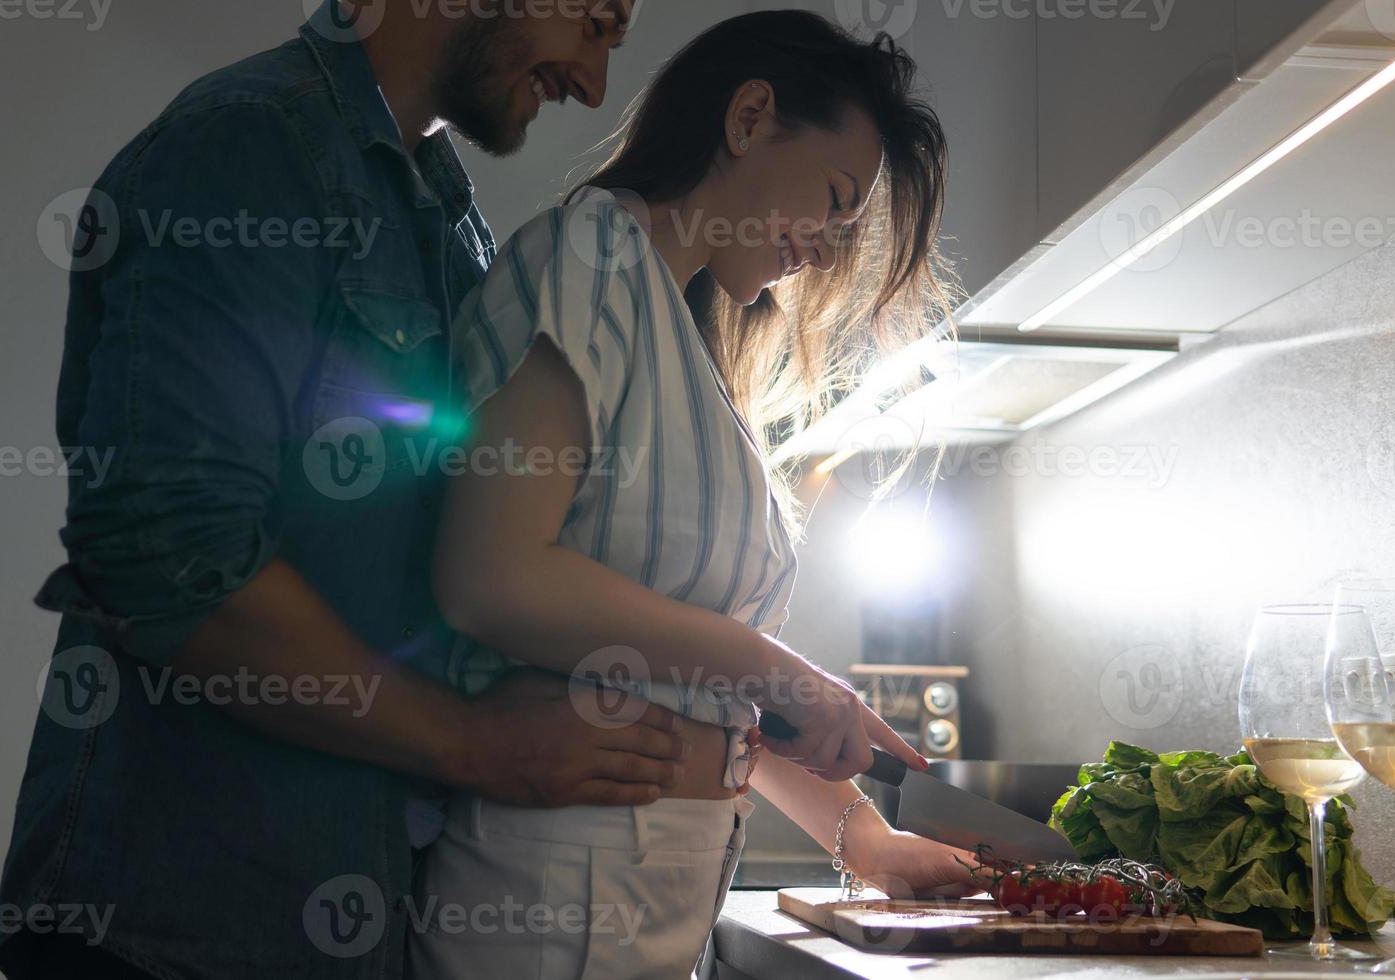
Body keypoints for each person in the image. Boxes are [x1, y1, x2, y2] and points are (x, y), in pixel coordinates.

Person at [0, 2, 682, 978]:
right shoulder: (247, 145)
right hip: (171, 930)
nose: (596, 82)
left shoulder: (449, 223)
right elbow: (172, 556)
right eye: (598, 21)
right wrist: (480, 744)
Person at [408, 11, 979, 978]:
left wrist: (863, 837)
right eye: (833, 202)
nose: (828, 254)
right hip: (550, 899)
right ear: (749, 117)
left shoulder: (689, 343)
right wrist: (777, 670)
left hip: (639, 899)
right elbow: (491, 578)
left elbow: (699, 686)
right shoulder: (589, 259)